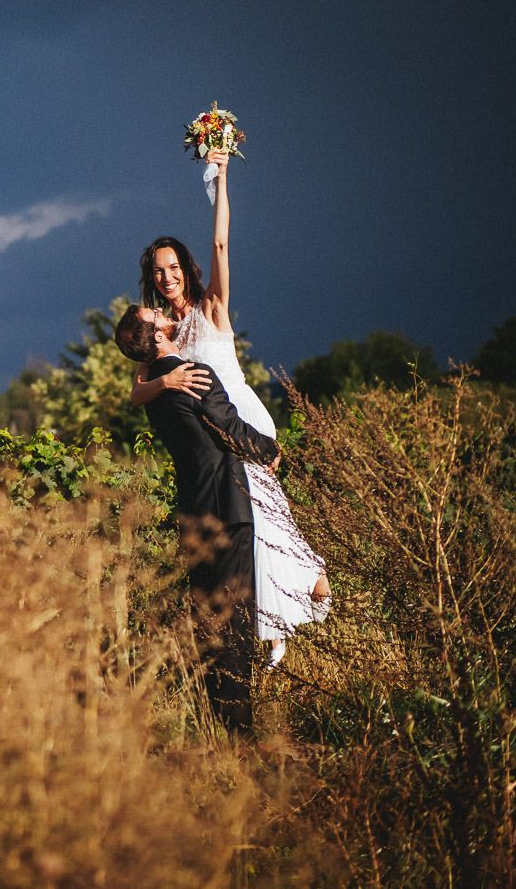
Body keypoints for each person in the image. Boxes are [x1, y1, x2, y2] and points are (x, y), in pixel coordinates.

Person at [130, 149, 330, 667]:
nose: (166, 276)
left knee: (264, 519)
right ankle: (275, 622)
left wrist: (220, 178)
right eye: (158, 271)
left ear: (185, 270)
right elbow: (137, 392)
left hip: (240, 418)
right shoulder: (161, 334)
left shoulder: (211, 309)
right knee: (250, 526)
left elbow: (221, 242)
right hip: (214, 432)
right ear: (151, 278)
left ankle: (308, 584)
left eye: (172, 267)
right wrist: (168, 379)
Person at [115, 303, 280, 735]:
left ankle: (215, 724)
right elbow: (229, 428)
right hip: (228, 507)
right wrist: (272, 451)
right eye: (151, 313)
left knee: (209, 619)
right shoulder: (192, 373)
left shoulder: (155, 386)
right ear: (156, 333)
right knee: (236, 621)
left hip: (194, 511)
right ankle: (238, 732)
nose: (158, 309)